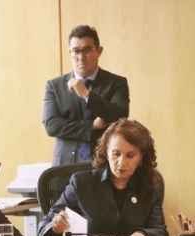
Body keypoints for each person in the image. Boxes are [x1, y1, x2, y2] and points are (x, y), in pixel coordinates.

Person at [39, 119, 168, 236]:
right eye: (116, 154)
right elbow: (45, 225)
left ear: (141, 157)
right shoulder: (81, 183)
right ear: (106, 152)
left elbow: (159, 231)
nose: (121, 162)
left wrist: (143, 233)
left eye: (130, 155)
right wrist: (55, 227)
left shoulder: (150, 185)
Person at [43, 25, 130, 166]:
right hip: (64, 165)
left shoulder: (117, 83)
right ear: (70, 52)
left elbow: (119, 116)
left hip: (103, 164)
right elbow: (52, 125)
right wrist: (91, 126)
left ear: (99, 51)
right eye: (76, 51)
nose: (81, 57)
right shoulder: (54, 86)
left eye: (87, 50)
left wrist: (86, 94)